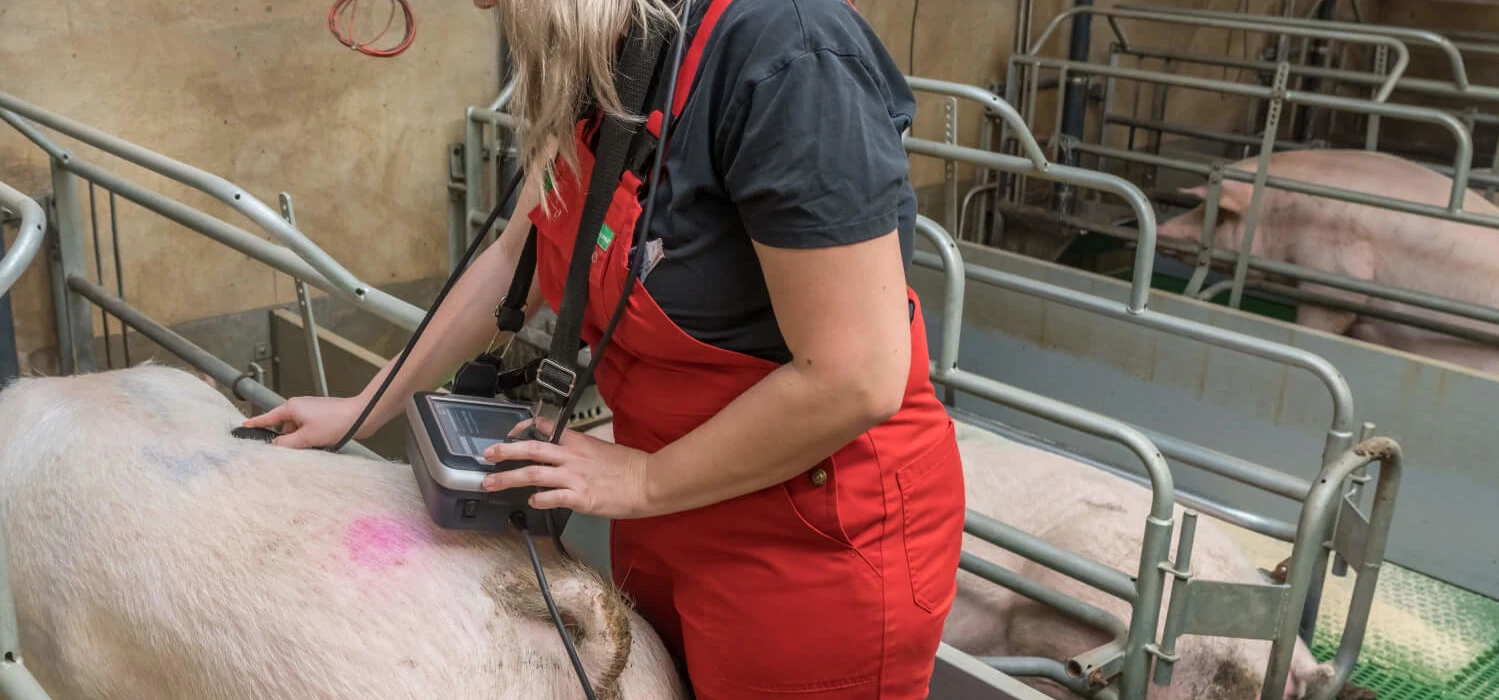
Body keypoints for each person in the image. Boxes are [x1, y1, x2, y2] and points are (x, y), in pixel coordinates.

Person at [246, 0, 966, 696]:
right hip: (661, 503)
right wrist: (367, 406)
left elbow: (855, 377)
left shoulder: (789, 54)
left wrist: (645, 480)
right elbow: (514, 258)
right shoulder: (605, 51)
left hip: (810, 539)